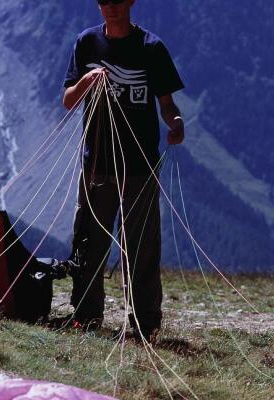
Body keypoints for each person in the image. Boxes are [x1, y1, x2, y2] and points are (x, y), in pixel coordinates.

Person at [61, 0, 185, 341]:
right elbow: (69, 100)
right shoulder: (86, 43)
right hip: (96, 164)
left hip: (140, 165)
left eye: (117, 1)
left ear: (130, 3)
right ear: (98, 5)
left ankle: (145, 324)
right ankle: (86, 317)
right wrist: (88, 79)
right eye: (105, 2)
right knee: (90, 242)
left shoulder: (151, 48)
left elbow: (166, 103)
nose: (111, 8)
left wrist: (175, 123)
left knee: (142, 246)